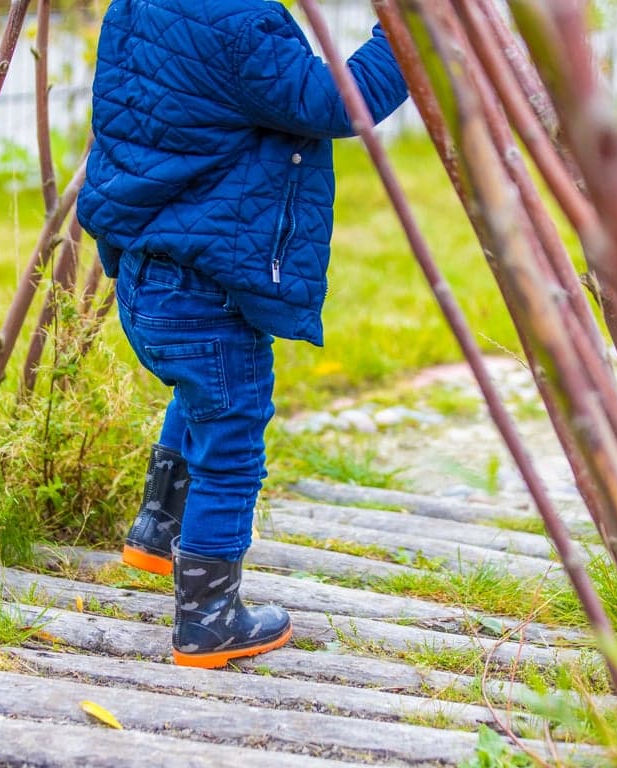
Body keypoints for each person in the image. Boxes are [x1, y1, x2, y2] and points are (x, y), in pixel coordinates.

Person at [77, 0, 409, 669]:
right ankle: (208, 616)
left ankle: (158, 528)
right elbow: (335, 103)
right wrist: (409, 33)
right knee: (231, 433)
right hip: (207, 286)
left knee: (200, 395)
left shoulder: (136, 7)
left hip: (145, 276)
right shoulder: (237, 26)